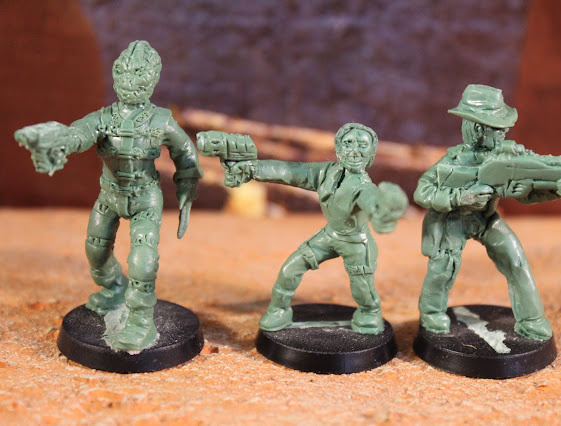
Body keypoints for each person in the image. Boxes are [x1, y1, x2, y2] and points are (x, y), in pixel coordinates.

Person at [15, 41, 202, 351]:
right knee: (96, 253)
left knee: (143, 261)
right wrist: (58, 139)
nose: (130, 83)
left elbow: (185, 152)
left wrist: (187, 183)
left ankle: (140, 320)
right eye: (125, 76)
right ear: (116, 77)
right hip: (109, 196)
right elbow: (79, 134)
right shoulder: (103, 118)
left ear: (152, 81)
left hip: (145, 199)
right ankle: (114, 288)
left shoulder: (160, 121)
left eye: (139, 77)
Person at [414, 84, 561, 341]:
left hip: (485, 220)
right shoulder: (452, 161)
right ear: (478, 129)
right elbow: (422, 191)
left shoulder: (504, 159)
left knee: (515, 260)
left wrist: (558, 190)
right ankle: (431, 314)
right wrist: (458, 198)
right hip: (451, 222)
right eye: (498, 129)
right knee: (443, 268)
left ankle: (531, 320)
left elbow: (528, 194)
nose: (504, 133)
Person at [225, 123, 407, 334]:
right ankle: (279, 310)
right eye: (348, 143)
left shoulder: (363, 187)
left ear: (371, 153)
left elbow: (371, 199)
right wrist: (251, 168)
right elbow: (289, 171)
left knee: (362, 288)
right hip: (330, 236)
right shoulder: (326, 172)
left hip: (357, 244)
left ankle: (370, 312)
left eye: (362, 145)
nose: (355, 151)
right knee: (290, 269)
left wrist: (382, 208)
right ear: (338, 148)